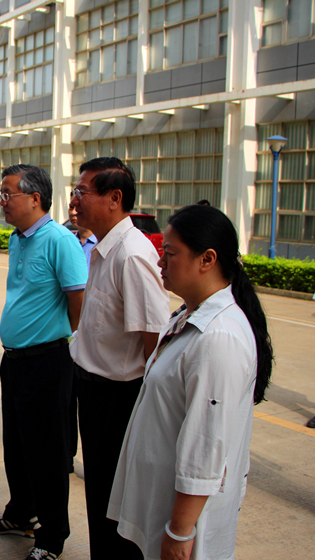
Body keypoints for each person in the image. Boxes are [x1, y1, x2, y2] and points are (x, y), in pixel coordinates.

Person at [107, 204, 274, 560]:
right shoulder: (189, 316)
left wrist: (179, 532)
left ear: (207, 259)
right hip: (160, 502)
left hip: (183, 521)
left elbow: (205, 446)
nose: (160, 262)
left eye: (169, 253)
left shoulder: (219, 337)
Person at [0, 165, 87, 560]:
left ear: (35, 198)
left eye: (7, 194)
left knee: (48, 453)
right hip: (15, 361)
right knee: (17, 445)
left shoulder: (60, 241)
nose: (2, 201)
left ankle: (52, 537)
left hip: (47, 362)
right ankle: (21, 513)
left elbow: (79, 302)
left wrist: (60, 341)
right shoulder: (18, 239)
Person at [69, 157, 169, 560]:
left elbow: (153, 339)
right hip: (94, 393)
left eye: (82, 191)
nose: (75, 200)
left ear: (114, 198)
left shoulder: (132, 255)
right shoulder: (103, 249)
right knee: (100, 498)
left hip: (118, 401)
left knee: (116, 507)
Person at [66, 203, 97, 473]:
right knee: (66, 399)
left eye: (79, 207)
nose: (74, 212)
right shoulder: (66, 241)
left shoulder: (102, 246)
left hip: (93, 335)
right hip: (68, 333)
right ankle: (66, 456)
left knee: (89, 404)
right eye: (71, 207)